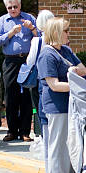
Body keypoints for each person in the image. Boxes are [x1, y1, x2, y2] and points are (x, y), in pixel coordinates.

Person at [36, 17, 86, 173]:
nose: (68, 34)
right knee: (57, 149)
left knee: (68, 147)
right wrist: (73, 81)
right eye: (66, 31)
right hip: (56, 107)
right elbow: (54, 85)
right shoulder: (46, 55)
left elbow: (82, 70)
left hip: (69, 105)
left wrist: (73, 72)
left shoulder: (65, 51)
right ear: (56, 32)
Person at [0, 0, 38, 142]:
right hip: (10, 61)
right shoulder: (2, 21)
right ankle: (12, 131)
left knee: (26, 96)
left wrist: (32, 29)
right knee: (10, 96)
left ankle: (25, 131)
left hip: (26, 61)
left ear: (20, 6)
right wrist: (10, 33)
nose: (13, 9)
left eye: (15, 6)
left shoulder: (29, 18)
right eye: (10, 7)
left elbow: (41, 37)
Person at [26, 9, 55, 140]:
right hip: (56, 79)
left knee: (40, 109)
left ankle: (45, 137)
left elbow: (30, 61)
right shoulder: (59, 40)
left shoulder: (37, 41)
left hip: (40, 79)